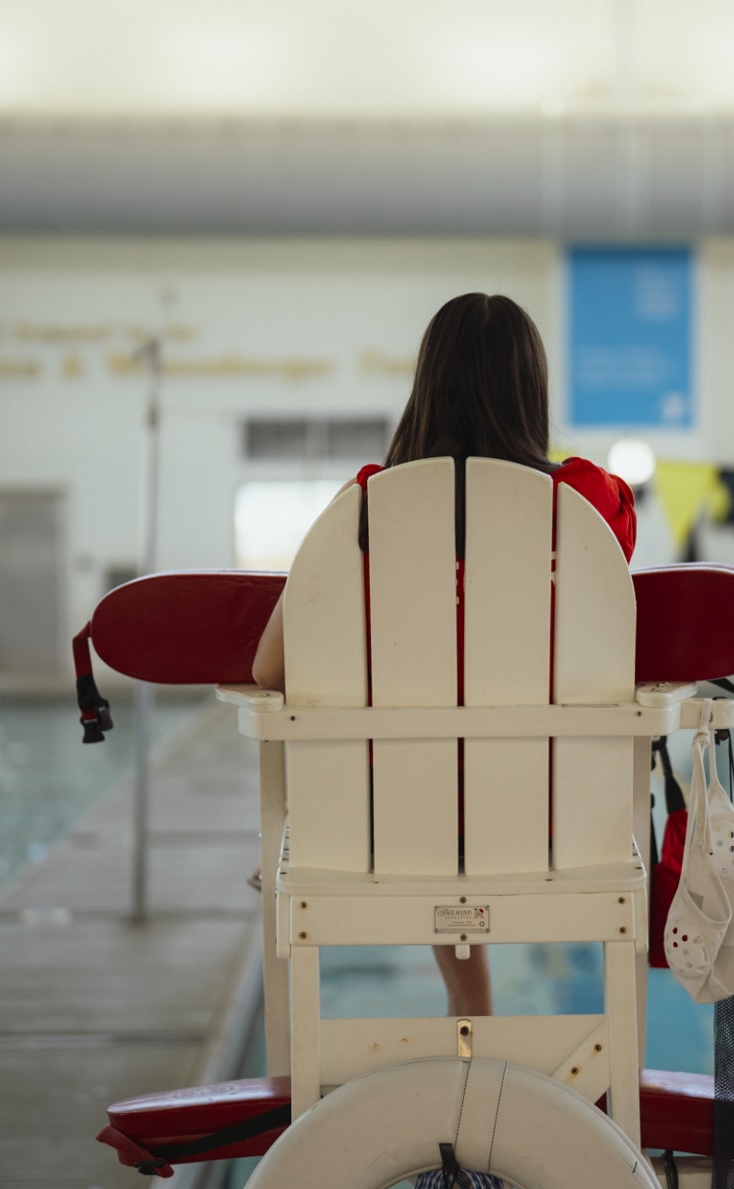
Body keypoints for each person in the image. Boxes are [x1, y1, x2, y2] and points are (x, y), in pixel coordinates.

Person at [252, 293, 636, 1017]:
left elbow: (267, 669)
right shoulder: (587, 501)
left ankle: (471, 1012)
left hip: (387, 823)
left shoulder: (366, 508)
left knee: (426, 778)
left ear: (425, 385)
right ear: (532, 390)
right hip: (554, 818)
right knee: (481, 769)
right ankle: (483, 1024)